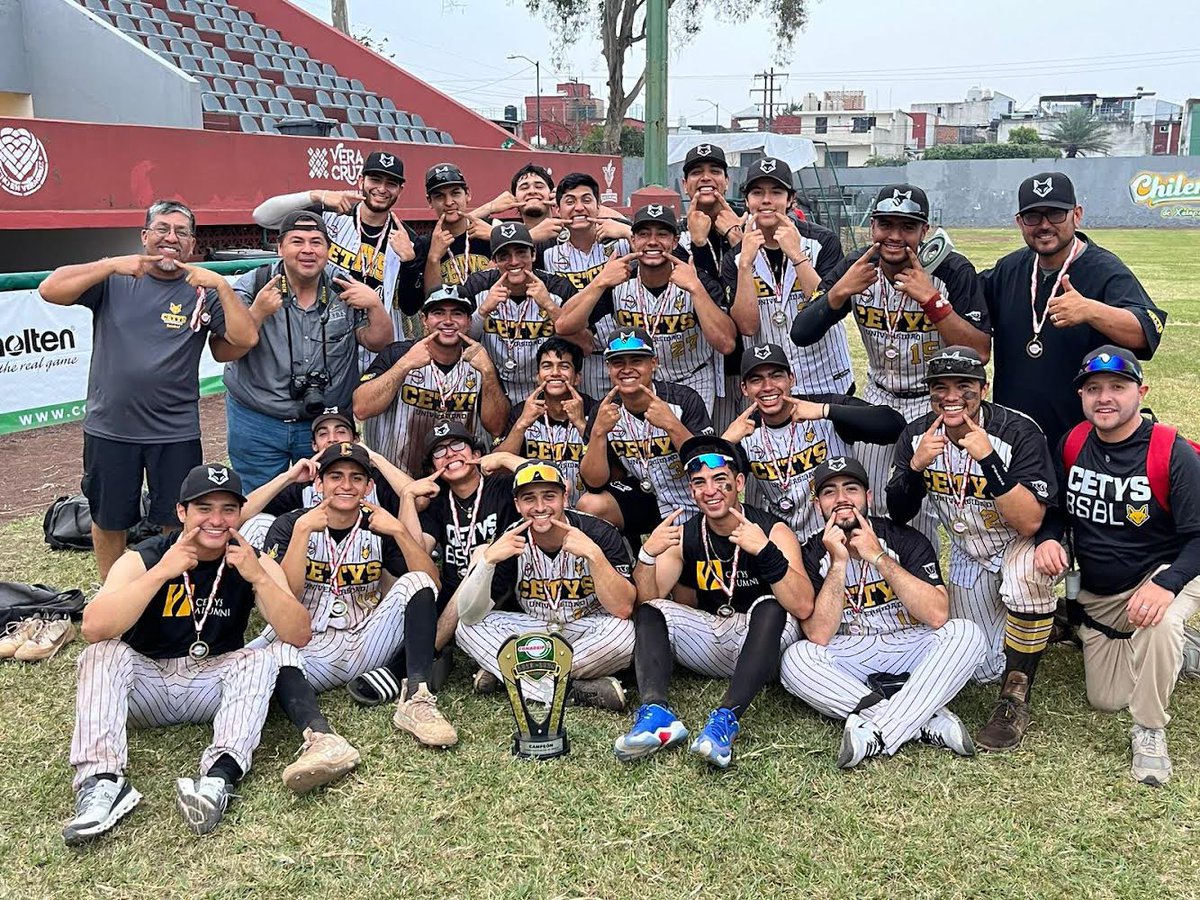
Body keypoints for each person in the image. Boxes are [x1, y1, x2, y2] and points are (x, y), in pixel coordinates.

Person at [63, 464, 309, 844]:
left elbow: (298, 633)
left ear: (240, 514)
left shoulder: (249, 559)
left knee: (262, 657)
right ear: (182, 513)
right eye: (204, 508)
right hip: (149, 682)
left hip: (210, 682)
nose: (216, 520)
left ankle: (217, 780)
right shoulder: (145, 556)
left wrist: (258, 577)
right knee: (102, 654)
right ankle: (102, 784)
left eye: (228, 509)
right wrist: (162, 572)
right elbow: (93, 628)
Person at [38, 200, 258, 578]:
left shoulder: (203, 290)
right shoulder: (114, 279)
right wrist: (108, 264)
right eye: (162, 229)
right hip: (110, 427)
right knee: (109, 519)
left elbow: (243, 339)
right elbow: (49, 289)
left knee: (177, 518)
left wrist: (221, 284)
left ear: (192, 244)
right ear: (145, 237)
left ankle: (169, 591)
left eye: (181, 232)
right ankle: (114, 594)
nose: (171, 238)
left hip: (175, 432)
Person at [1034, 347, 1200, 785]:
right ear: (1082, 396)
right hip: (1103, 591)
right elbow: (1056, 511)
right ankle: (1178, 652)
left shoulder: (1172, 451)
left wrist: (1168, 585)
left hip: (1165, 572)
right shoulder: (1072, 443)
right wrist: (1050, 537)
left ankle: (1149, 730)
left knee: (1160, 622)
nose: (1104, 398)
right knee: (1106, 699)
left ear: (1140, 391)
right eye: (1093, 389)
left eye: (1117, 387)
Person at [886, 346, 1059, 751]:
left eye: (964, 386)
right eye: (940, 387)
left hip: (1018, 542)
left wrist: (988, 460)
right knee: (979, 667)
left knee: (1025, 581)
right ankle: (1030, 629)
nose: (952, 397)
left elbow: (1030, 521)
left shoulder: (1017, 431)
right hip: (967, 550)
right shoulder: (917, 434)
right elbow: (898, 510)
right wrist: (915, 467)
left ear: (984, 388)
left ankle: (1015, 697)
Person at [257, 443, 446, 791]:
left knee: (416, 581)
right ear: (319, 484)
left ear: (368, 486)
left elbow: (432, 585)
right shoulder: (289, 525)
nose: (346, 485)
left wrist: (400, 533)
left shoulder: (378, 525)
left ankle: (416, 699)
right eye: (336, 477)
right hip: (308, 645)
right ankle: (322, 739)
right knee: (271, 654)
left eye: (356, 478)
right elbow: (287, 598)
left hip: (364, 639)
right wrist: (301, 535)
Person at [793, 184, 991, 515]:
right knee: (868, 500)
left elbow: (980, 351)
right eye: (886, 224)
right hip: (877, 396)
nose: (895, 236)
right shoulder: (857, 265)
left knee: (922, 508)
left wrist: (932, 301)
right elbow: (801, 332)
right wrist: (838, 291)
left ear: (924, 231)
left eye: (907, 226)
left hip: (934, 402)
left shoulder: (951, 270)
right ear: (872, 226)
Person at [780, 456, 986, 769]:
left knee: (967, 635)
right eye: (829, 492)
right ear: (818, 504)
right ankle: (923, 719)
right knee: (796, 660)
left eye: (851, 489)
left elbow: (936, 614)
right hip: (849, 652)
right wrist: (837, 563)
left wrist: (877, 557)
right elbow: (819, 634)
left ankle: (877, 732)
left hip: (908, 644)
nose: (841, 500)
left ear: (868, 497)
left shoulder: (904, 538)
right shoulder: (811, 551)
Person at [617, 437, 812, 768]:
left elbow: (804, 606)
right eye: (699, 483)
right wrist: (647, 555)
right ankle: (656, 713)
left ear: (738, 483)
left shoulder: (772, 529)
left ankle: (725, 720)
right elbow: (648, 603)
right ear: (692, 491)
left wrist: (765, 552)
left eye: (720, 480)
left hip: (764, 645)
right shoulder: (689, 533)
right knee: (650, 611)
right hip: (714, 637)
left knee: (772, 606)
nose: (711, 491)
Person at [980, 172, 1166, 450]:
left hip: (1079, 440)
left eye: (1055, 214)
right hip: (1013, 437)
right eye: (1033, 217)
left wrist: (1092, 310)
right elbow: (967, 300)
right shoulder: (1010, 268)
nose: (1044, 225)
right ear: (1019, 222)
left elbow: (1145, 332)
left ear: (1076, 215)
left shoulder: (1103, 269)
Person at [223, 210, 394, 492]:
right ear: (279, 247)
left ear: (328, 249)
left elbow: (378, 342)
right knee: (258, 500)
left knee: (327, 500)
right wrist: (257, 313)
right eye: (297, 241)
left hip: (325, 422)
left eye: (316, 242)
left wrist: (375, 305)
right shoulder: (253, 285)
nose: (307, 250)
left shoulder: (344, 286)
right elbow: (227, 349)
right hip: (257, 418)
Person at [453, 460, 637, 711]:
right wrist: (488, 561)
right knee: (466, 628)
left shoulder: (598, 532)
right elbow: (469, 614)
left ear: (565, 496)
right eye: (529, 498)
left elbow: (624, 608)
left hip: (586, 629)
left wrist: (595, 556)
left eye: (549, 496)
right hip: (535, 631)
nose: (540, 507)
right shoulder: (512, 538)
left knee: (625, 635)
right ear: (517, 505)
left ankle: (509, 675)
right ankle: (572, 690)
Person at [555, 204, 736, 409]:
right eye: (643, 234)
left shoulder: (695, 278)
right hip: (634, 384)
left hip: (690, 378)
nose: (652, 241)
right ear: (633, 240)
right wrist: (600, 281)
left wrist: (695, 288)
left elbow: (726, 344)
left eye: (662, 234)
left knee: (691, 441)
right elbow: (563, 325)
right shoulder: (619, 279)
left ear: (675, 241)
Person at [724, 342, 906, 539]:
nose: (768, 387)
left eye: (776, 376)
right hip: (788, 543)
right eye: (756, 380)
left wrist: (825, 411)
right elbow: (711, 483)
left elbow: (894, 425)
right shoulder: (746, 431)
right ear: (744, 388)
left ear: (791, 379)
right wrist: (725, 442)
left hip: (842, 533)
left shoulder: (821, 408)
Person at [251, 150, 424, 344]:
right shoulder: (328, 216)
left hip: (376, 344)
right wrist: (316, 195)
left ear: (400, 190)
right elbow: (262, 216)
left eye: (391, 183)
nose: (382, 189)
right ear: (361, 181)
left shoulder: (407, 239)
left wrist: (409, 263)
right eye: (375, 180)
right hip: (322, 338)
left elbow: (410, 307)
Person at [722, 157, 853, 401]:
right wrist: (745, 265)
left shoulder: (823, 242)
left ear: (791, 199)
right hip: (772, 383)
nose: (766, 200)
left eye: (777, 192)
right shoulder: (736, 257)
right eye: (757, 193)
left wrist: (796, 254)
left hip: (826, 374)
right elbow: (747, 326)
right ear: (747, 201)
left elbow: (828, 309)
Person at [353, 285, 510, 477]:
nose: (448, 321)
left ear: (469, 322)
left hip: (460, 479)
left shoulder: (481, 361)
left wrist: (488, 372)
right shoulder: (398, 354)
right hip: (398, 479)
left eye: (457, 314)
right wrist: (405, 365)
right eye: (438, 313)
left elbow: (497, 427)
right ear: (424, 320)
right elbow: (361, 408)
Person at [578, 328, 714, 546]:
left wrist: (671, 424)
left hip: (693, 495)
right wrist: (598, 434)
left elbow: (707, 462)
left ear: (654, 363)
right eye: (618, 362)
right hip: (646, 495)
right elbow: (594, 482)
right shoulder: (603, 410)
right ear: (609, 368)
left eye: (636, 360)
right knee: (590, 505)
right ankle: (623, 563)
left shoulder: (683, 399)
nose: (627, 369)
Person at [237, 406, 412, 550]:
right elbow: (241, 515)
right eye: (323, 434)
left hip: (367, 560)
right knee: (258, 523)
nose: (332, 439)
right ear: (314, 445)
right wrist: (288, 477)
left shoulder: (373, 477)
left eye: (341, 432)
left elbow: (417, 501)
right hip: (311, 563)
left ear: (356, 439)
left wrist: (375, 457)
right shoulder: (305, 481)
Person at [459, 221, 595, 401]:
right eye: (504, 255)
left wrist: (549, 305)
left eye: (521, 253)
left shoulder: (558, 287)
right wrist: (483, 311)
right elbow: (461, 343)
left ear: (533, 254)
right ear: (494, 261)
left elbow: (586, 346)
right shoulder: (479, 285)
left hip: (547, 389)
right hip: (493, 387)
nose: (514, 261)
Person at [676, 143, 749, 433]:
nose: (706, 178)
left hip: (752, 356)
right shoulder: (676, 236)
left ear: (726, 181)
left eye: (714, 171)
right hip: (708, 364)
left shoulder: (748, 224)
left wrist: (735, 235)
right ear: (685, 185)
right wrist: (697, 243)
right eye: (696, 172)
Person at [539, 172, 633, 397]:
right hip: (582, 358)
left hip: (628, 354)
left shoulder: (621, 242)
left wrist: (627, 230)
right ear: (558, 210)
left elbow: (661, 248)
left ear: (599, 206)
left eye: (587, 200)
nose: (579, 207)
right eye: (570, 201)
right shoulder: (547, 253)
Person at [495, 337, 596, 505]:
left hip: (584, 507)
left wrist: (580, 424)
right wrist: (522, 424)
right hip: (536, 508)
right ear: (538, 377)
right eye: (547, 366)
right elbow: (498, 469)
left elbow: (607, 474)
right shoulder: (523, 411)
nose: (555, 373)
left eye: (564, 366)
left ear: (577, 377)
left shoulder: (593, 410)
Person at [420, 163, 493, 294]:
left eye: (455, 193)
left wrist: (496, 237)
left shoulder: (489, 229)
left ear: (468, 194)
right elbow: (430, 299)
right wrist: (433, 258)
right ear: (429, 201)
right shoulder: (425, 244)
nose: (449, 202)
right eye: (439, 196)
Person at [469, 163, 567, 244]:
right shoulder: (501, 231)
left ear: (552, 193)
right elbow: (457, 229)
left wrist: (565, 202)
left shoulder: (569, 229)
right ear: (514, 198)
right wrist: (490, 207)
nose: (532, 191)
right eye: (524, 188)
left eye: (539, 186)